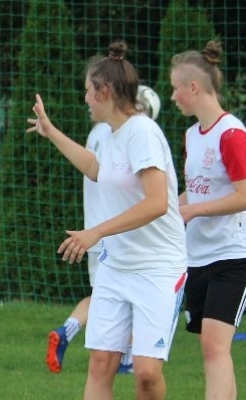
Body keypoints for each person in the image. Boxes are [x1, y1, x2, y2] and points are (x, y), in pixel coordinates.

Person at [28, 41, 187, 400]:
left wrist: (97, 232)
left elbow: (158, 203)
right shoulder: (114, 135)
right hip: (118, 267)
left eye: (86, 91)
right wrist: (52, 131)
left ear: (102, 91)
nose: (83, 98)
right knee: (100, 363)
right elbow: (98, 169)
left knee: (148, 374)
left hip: (158, 267)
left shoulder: (143, 133)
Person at [46, 84, 166, 376]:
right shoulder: (128, 134)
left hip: (96, 229)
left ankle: (69, 331)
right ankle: (125, 357)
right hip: (116, 231)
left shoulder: (100, 132)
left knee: (104, 295)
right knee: (122, 298)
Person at [171, 40, 246, 400]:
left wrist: (194, 210)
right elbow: (196, 190)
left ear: (193, 87)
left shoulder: (233, 134)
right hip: (197, 256)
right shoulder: (191, 135)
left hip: (233, 256)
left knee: (213, 348)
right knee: (213, 348)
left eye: (174, 89)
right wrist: (171, 209)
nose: (171, 97)